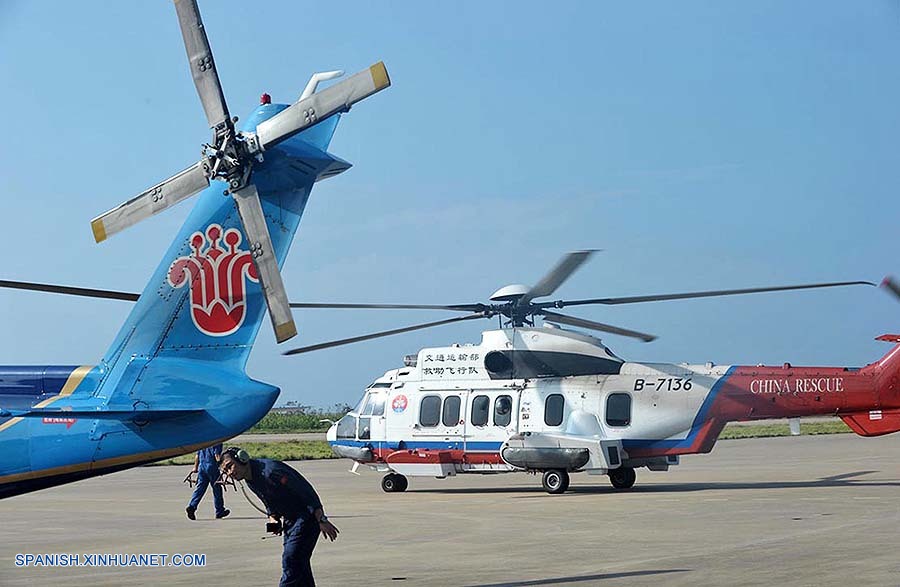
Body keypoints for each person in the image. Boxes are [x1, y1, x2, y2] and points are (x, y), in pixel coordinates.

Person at [219, 447, 339, 587]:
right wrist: (273, 520)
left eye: (230, 466)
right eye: (226, 471)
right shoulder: (250, 479)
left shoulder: (271, 471)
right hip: (290, 521)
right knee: (300, 564)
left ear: (242, 458)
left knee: (290, 559)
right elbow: (269, 502)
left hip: (306, 517)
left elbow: (306, 492)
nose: (230, 472)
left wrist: (321, 519)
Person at [185, 443, 229, 520]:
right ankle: (219, 511)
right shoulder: (217, 441)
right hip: (212, 467)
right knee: (217, 489)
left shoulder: (205, 440)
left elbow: (197, 455)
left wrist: (195, 467)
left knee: (200, 489)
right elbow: (217, 456)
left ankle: (192, 506)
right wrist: (224, 467)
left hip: (202, 467)